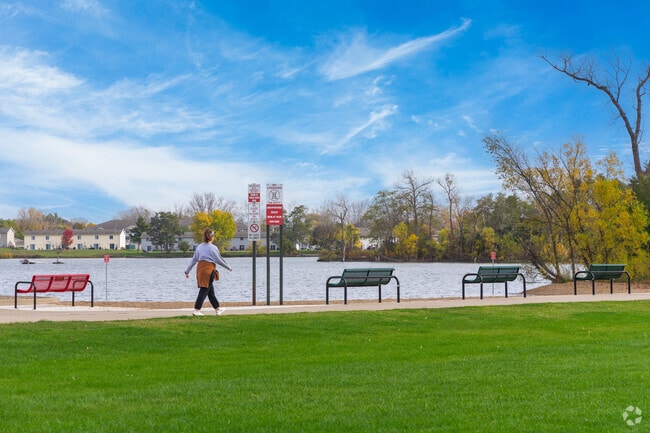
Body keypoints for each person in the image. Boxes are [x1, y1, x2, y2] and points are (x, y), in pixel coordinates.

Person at [184, 228, 233, 316]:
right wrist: (228, 267)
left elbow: (193, 260)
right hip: (209, 270)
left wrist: (187, 270)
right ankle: (197, 309)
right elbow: (219, 260)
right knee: (204, 290)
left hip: (200, 269)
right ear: (212, 237)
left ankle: (217, 308)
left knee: (210, 291)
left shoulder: (199, 247)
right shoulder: (213, 248)